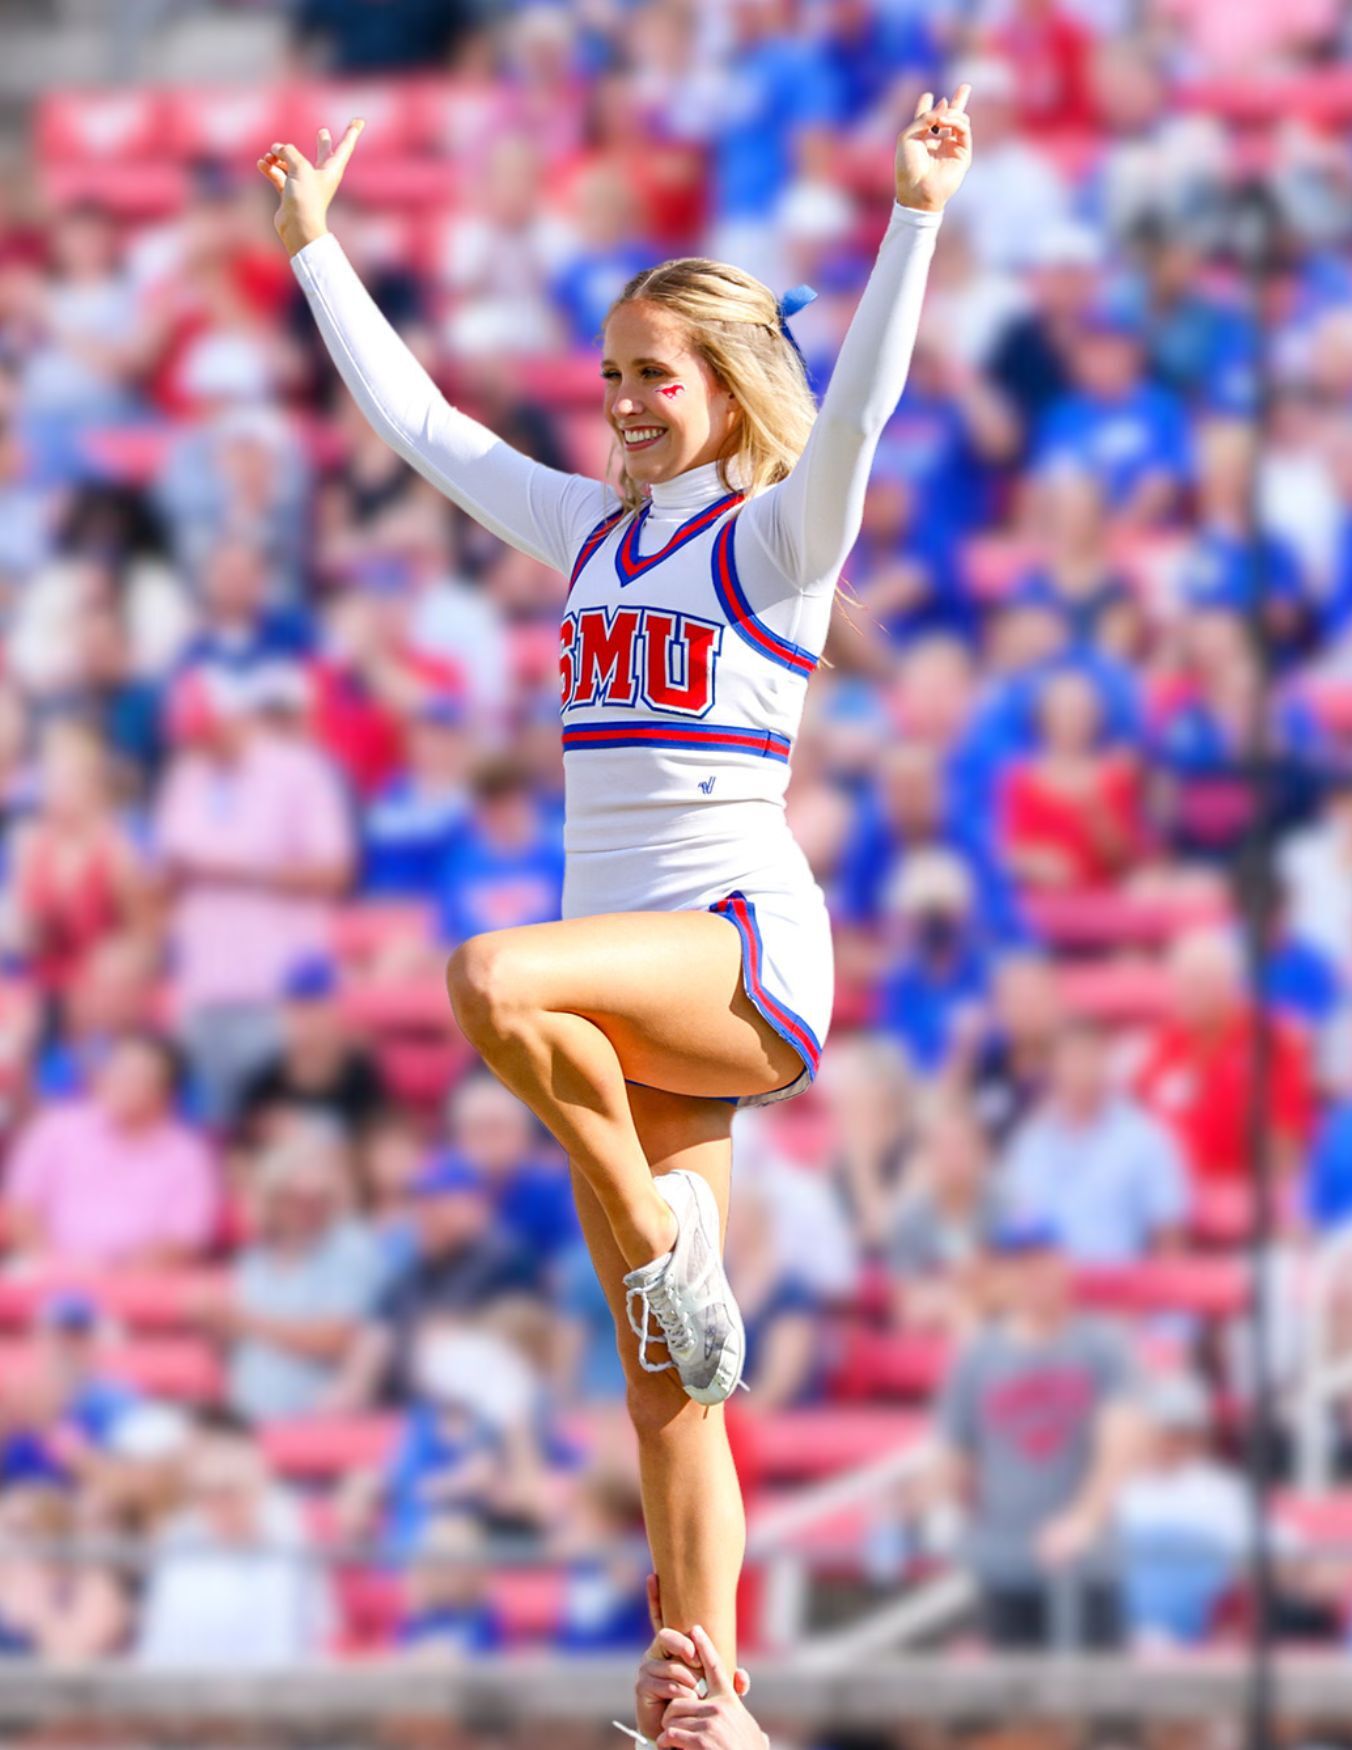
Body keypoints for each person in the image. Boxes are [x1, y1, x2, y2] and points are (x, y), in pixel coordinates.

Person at [259, 82, 972, 1691]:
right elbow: (425, 430)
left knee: (494, 979)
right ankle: (701, 1694)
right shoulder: (589, 532)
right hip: (637, 991)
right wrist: (317, 251)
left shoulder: (779, 540)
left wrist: (915, 215)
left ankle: (661, 1238)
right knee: (671, 1385)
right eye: (611, 376)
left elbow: (853, 417)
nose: (627, 400)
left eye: (657, 374)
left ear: (725, 385)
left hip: (735, 954)